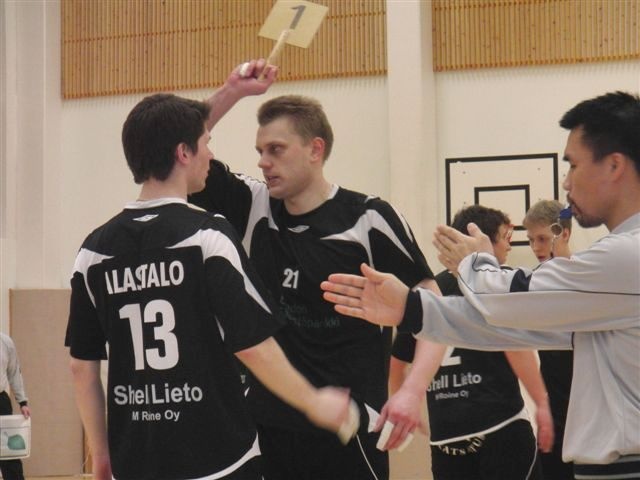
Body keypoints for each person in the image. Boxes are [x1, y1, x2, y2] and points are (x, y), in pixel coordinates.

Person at [320, 91, 640, 477]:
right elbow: (510, 328)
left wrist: (474, 261)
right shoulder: (618, 266)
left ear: (614, 165)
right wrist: (411, 308)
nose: (567, 181)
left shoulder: (628, 255)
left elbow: (511, 301)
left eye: (573, 165)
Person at [65, 92, 357, 480]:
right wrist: (313, 401)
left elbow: (81, 367)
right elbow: (254, 348)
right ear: (184, 153)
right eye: (206, 143)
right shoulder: (208, 237)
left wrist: (101, 454)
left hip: (134, 460)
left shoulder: (93, 252)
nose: (211, 155)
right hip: (219, 459)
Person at [189, 60, 441, 479]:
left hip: (348, 427)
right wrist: (233, 91)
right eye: (259, 152)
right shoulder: (254, 206)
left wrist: (412, 391)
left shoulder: (368, 218)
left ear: (315, 149)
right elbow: (180, 144)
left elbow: (433, 308)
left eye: (276, 150)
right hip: (267, 426)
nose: (264, 162)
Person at [391, 205, 551, 480]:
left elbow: (397, 362)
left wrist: (404, 400)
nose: (508, 246)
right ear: (482, 241)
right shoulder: (495, 287)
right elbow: (516, 348)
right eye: (505, 237)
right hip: (500, 427)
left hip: (447, 439)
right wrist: (542, 402)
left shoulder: (428, 289)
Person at [524, 199, 575, 479]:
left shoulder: (590, 278)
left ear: (564, 233)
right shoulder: (532, 284)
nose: (535, 247)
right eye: (531, 240)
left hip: (590, 406)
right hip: (553, 409)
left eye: (542, 239)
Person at [0, 333, 30, 480]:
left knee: (8, 452)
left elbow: (14, 373)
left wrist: (22, 402)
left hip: (1, 401)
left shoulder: (5, 342)